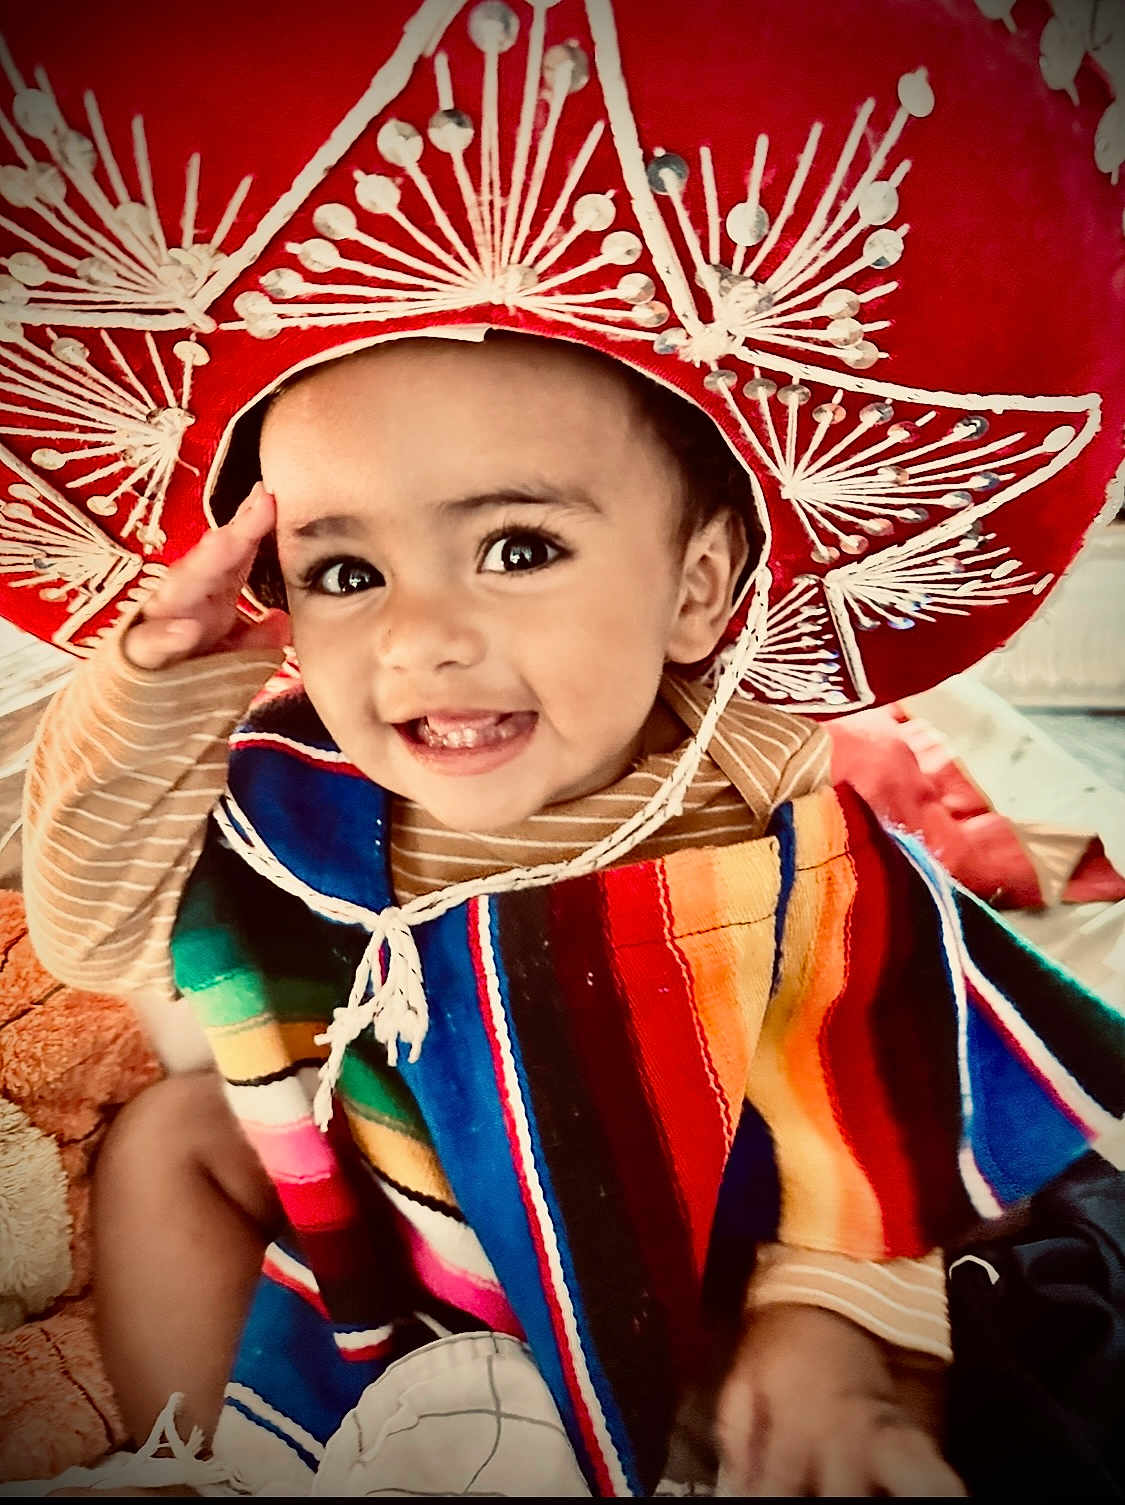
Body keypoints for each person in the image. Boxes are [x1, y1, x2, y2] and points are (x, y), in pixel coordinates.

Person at [4, 0, 1122, 1494]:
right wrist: (154, 681)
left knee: (841, 1296)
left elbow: (878, 1075)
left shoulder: (759, 818)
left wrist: (832, 1311)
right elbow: (87, 931)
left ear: (698, 588)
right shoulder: (295, 798)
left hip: (672, 1260)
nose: (419, 635)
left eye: (516, 546)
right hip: (398, 1239)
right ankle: (199, 1455)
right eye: (344, 571)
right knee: (167, 1136)